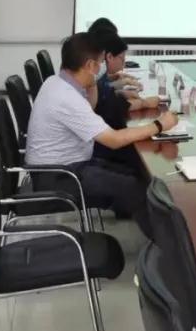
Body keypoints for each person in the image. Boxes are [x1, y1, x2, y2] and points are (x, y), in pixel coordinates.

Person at [25, 32, 178, 222]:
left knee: (134, 172)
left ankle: (134, 216)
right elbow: (114, 139)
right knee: (132, 187)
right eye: (99, 63)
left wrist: (92, 83)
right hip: (59, 178)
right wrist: (160, 124)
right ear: (90, 65)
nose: (102, 68)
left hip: (66, 166)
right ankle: (166, 236)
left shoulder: (57, 82)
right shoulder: (66, 97)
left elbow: (90, 108)